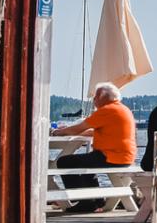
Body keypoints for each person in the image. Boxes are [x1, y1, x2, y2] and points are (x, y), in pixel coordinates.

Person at [52, 83, 136, 212]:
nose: (94, 100)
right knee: (88, 162)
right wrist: (71, 131)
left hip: (111, 156)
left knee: (65, 161)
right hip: (125, 157)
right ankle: (96, 200)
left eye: (95, 97)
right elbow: (94, 131)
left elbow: (79, 128)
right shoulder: (123, 109)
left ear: (102, 97)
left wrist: (58, 132)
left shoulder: (106, 110)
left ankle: (84, 201)